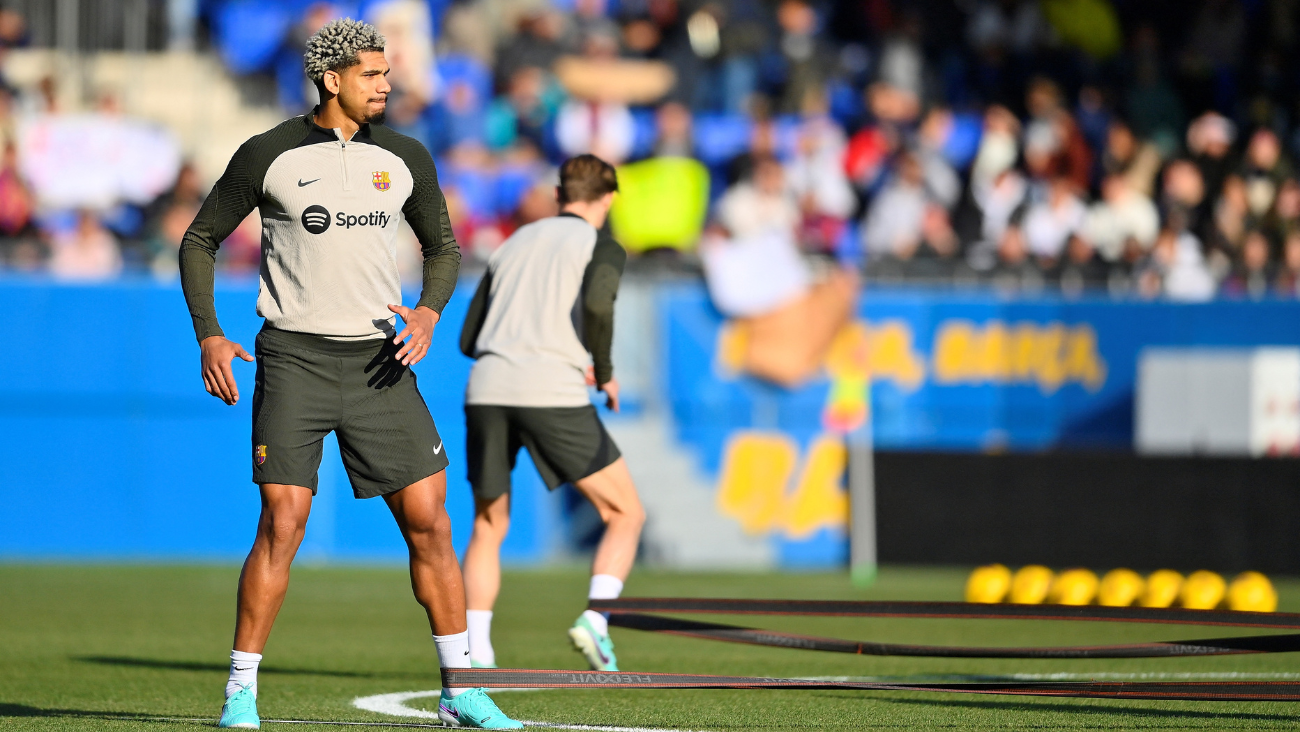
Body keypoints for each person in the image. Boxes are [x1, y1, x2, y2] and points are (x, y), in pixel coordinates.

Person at [177, 19, 520, 731]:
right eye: (373, 74)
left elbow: (444, 249)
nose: (388, 84)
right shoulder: (268, 153)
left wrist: (427, 314)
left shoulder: (405, 156)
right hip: (295, 359)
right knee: (283, 522)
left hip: (379, 363)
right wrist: (210, 333)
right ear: (332, 79)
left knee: (431, 523)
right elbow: (200, 238)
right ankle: (241, 693)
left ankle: (461, 689)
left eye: (388, 73)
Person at [459, 154, 645, 673]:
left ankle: (475, 650)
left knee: (488, 524)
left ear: (560, 194)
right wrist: (602, 368)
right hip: (550, 390)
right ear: (607, 199)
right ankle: (597, 621)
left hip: (488, 388)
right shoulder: (600, 244)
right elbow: (600, 307)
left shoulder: (512, 242)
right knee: (625, 513)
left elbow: (469, 338)